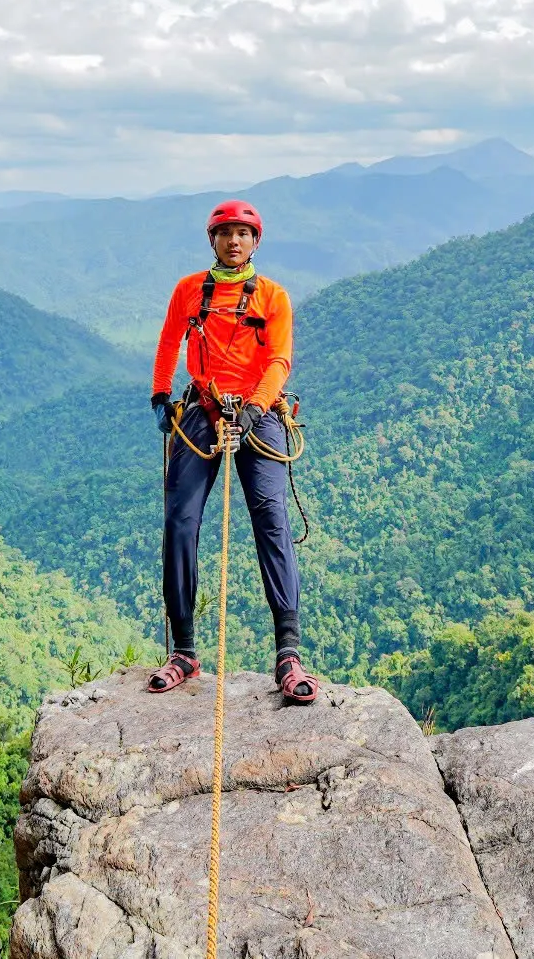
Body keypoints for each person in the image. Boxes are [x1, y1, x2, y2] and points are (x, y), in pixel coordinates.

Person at [145, 199, 318, 703]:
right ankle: (184, 652)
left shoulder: (272, 296)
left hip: (258, 414)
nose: (235, 241)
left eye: (244, 234)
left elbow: (279, 360)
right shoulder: (189, 291)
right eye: (226, 233)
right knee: (180, 522)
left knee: (271, 520)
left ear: (256, 241)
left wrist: (254, 410)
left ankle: (289, 653)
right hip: (202, 407)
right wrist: (161, 395)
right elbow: (167, 344)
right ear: (213, 240)